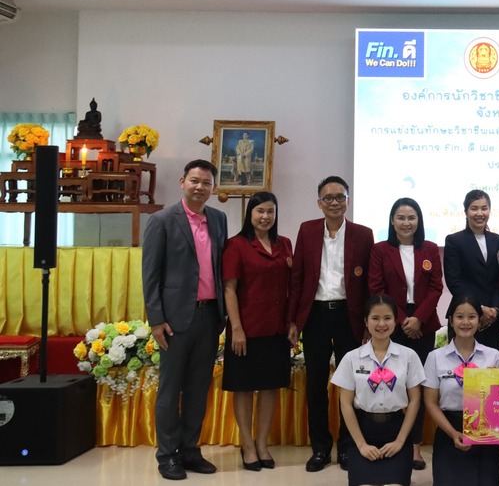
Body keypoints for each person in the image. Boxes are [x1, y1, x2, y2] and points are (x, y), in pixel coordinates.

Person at [141, 159, 227, 480]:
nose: (200, 187)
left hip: (210, 317)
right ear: (182, 182)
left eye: (206, 183)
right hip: (174, 321)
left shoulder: (218, 219)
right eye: (194, 181)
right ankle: (167, 455)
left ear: (213, 188)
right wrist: (156, 319)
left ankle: (190, 450)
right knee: (170, 390)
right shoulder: (162, 220)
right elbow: (150, 274)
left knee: (197, 389)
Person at [287, 176, 375, 472]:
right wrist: (293, 320)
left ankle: (348, 447)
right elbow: (297, 278)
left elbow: (369, 283)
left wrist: (369, 322)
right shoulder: (307, 230)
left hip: (349, 317)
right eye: (328, 198)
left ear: (348, 201)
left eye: (340, 197)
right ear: (319, 203)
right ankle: (320, 449)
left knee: (350, 384)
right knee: (315, 384)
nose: (334, 202)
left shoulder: (363, 234)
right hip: (316, 315)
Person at [369, 197, 444, 471]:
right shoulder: (380, 250)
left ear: (419, 221)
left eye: (411, 217)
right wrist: (401, 320)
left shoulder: (430, 248)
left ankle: (415, 446)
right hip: (390, 324)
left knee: (418, 386)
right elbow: (377, 287)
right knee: (391, 383)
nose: (406, 223)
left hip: (423, 324)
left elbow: (436, 287)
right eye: (401, 217)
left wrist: (418, 319)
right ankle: (389, 441)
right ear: (392, 221)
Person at [222, 191, 292, 471]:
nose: (265, 217)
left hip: (276, 328)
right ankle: (247, 444)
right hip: (246, 329)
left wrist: (291, 323)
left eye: (270, 211)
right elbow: (229, 289)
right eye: (260, 211)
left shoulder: (284, 244)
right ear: (249, 214)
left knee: (270, 386)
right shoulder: (236, 245)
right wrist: (237, 328)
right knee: (243, 387)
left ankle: (262, 443)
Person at [332, 294, 426, 486]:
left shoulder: (408, 356)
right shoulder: (352, 358)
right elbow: (345, 403)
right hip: (363, 432)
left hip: (396, 431)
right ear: (366, 321)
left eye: (387, 318)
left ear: (396, 321)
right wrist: (361, 445)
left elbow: (415, 400)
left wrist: (400, 441)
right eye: (375, 318)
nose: (381, 324)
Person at [423, 295, 499, 486]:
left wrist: (494, 385)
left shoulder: (493, 356)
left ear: (479, 321)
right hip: (449, 430)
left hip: (484, 432)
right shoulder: (435, 357)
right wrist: (452, 433)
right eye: (460, 317)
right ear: (451, 320)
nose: (466, 322)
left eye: (472, 317)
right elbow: (430, 402)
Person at [444, 189, 499, 351]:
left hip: (493, 319)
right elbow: (454, 281)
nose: (480, 213)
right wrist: (479, 308)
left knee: (492, 364)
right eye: (474, 208)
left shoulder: (498, 241)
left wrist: (495, 309)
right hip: (465, 316)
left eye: (484, 208)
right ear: (466, 212)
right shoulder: (454, 241)